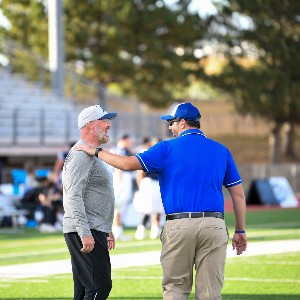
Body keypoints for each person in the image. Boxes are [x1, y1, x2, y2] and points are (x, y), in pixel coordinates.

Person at [75, 102, 247, 300]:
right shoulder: (221, 150)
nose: (169, 127)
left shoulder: (166, 148)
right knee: (210, 293)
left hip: (179, 224)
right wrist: (240, 230)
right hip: (214, 225)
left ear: (182, 123)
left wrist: (94, 151)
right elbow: (238, 194)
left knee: (175, 290)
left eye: (172, 122)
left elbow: (127, 164)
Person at [62, 105, 117, 300]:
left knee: (85, 291)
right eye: (105, 120)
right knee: (99, 287)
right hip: (86, 229)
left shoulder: (91, 154)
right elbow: (73, 196)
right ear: (92, 125)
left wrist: (106, 227)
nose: (109, 124)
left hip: (94, 227)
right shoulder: (80, 155)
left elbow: (94, 194)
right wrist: (84, 232)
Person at [109, 134, 135, 240]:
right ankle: (116, 231)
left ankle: (118, 230)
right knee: (118, 206)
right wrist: (120, 182)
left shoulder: (122, 150)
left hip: (122, 178)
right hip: (121, 178)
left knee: (120, 207)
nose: (130, 143)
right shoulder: (119, 150)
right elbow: (119, 166)